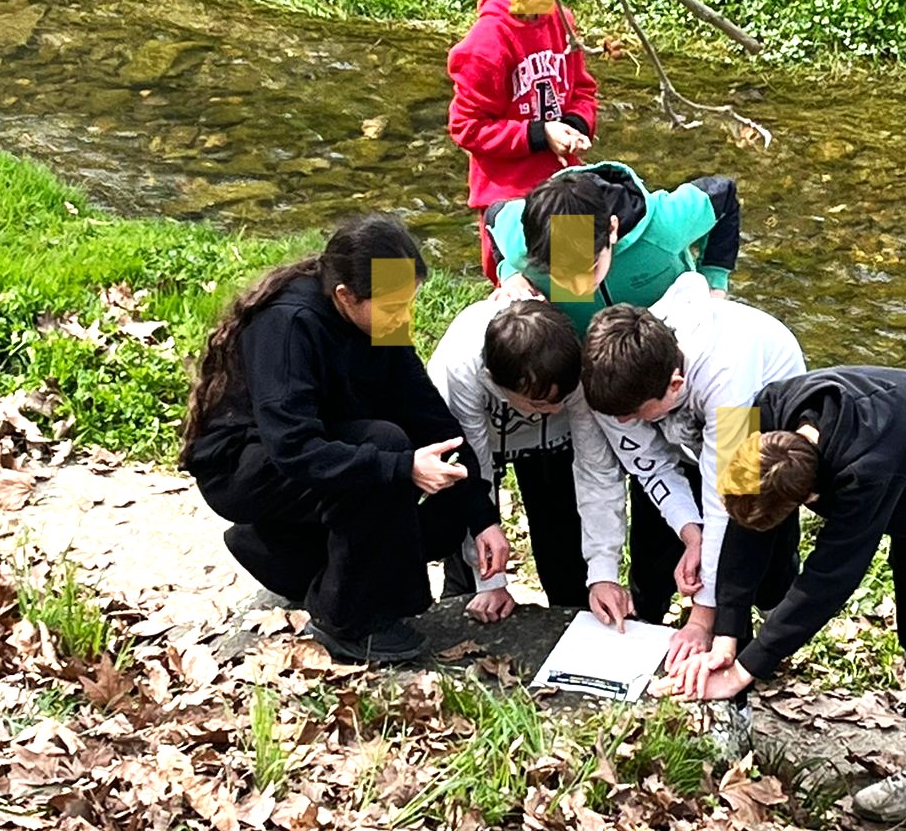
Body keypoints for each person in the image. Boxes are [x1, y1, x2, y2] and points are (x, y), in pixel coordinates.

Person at [670, 366, 906, 831]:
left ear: (812, 498)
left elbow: (828, 581)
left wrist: (747, 670)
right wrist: (727, 633)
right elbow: (743, 529)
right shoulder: (756, 413)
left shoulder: (867, 468)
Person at [180, 215, 507, 665]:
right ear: (345, 296)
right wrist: (402, 468)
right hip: (247, 464)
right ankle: (345, 620)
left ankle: (281, 554)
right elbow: (293, 447)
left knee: (446, 502)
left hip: (322, 441)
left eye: (408, 304)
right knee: (386, 445)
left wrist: (482, 516)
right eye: (394, 306)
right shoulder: (288, 325)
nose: (404, 317)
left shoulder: (379, 320)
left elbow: (430, 417)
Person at [427, 294, 695, 628]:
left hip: (551, 444)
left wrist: (603, 572)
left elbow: (596, 470)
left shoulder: (573, 371)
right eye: (541, 404)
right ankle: (461, 596)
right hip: (475, 438)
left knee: (564, 553)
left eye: (562, 401)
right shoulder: (461, 369)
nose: (555, 410)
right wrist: (490, 580)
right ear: (493, 380)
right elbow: (472, 466)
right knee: (467, 553)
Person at [579, 274, 805, 661]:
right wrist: (691, 532)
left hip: (765, 441)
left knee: (762, 552)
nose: (625, 423)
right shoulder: (615, 378)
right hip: (690, 438)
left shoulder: (729, 376)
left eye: (635, 415)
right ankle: (645, 623)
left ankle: (770, 634)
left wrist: (702, 617)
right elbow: (650, 466)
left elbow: (726, 497)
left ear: (675, 384)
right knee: (654, 548)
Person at [447, 0, 599, 281]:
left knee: (576, 287)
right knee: (522, 301)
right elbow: (466, 128)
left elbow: (582, 88)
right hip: (508, 200)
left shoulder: (563, 21)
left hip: (563, 184)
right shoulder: (486, 44)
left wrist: (575, 124)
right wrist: (538, 134)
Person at [483, 161, 741, 336]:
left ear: (612, 229)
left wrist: (714, 283)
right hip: (585, 352)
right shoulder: (521, 242)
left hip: (669, 333)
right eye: (562, 273)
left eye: (590, 267)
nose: (579, 287)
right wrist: (509, 274)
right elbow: (493, 215)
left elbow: (724, 194)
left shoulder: (664, 226)